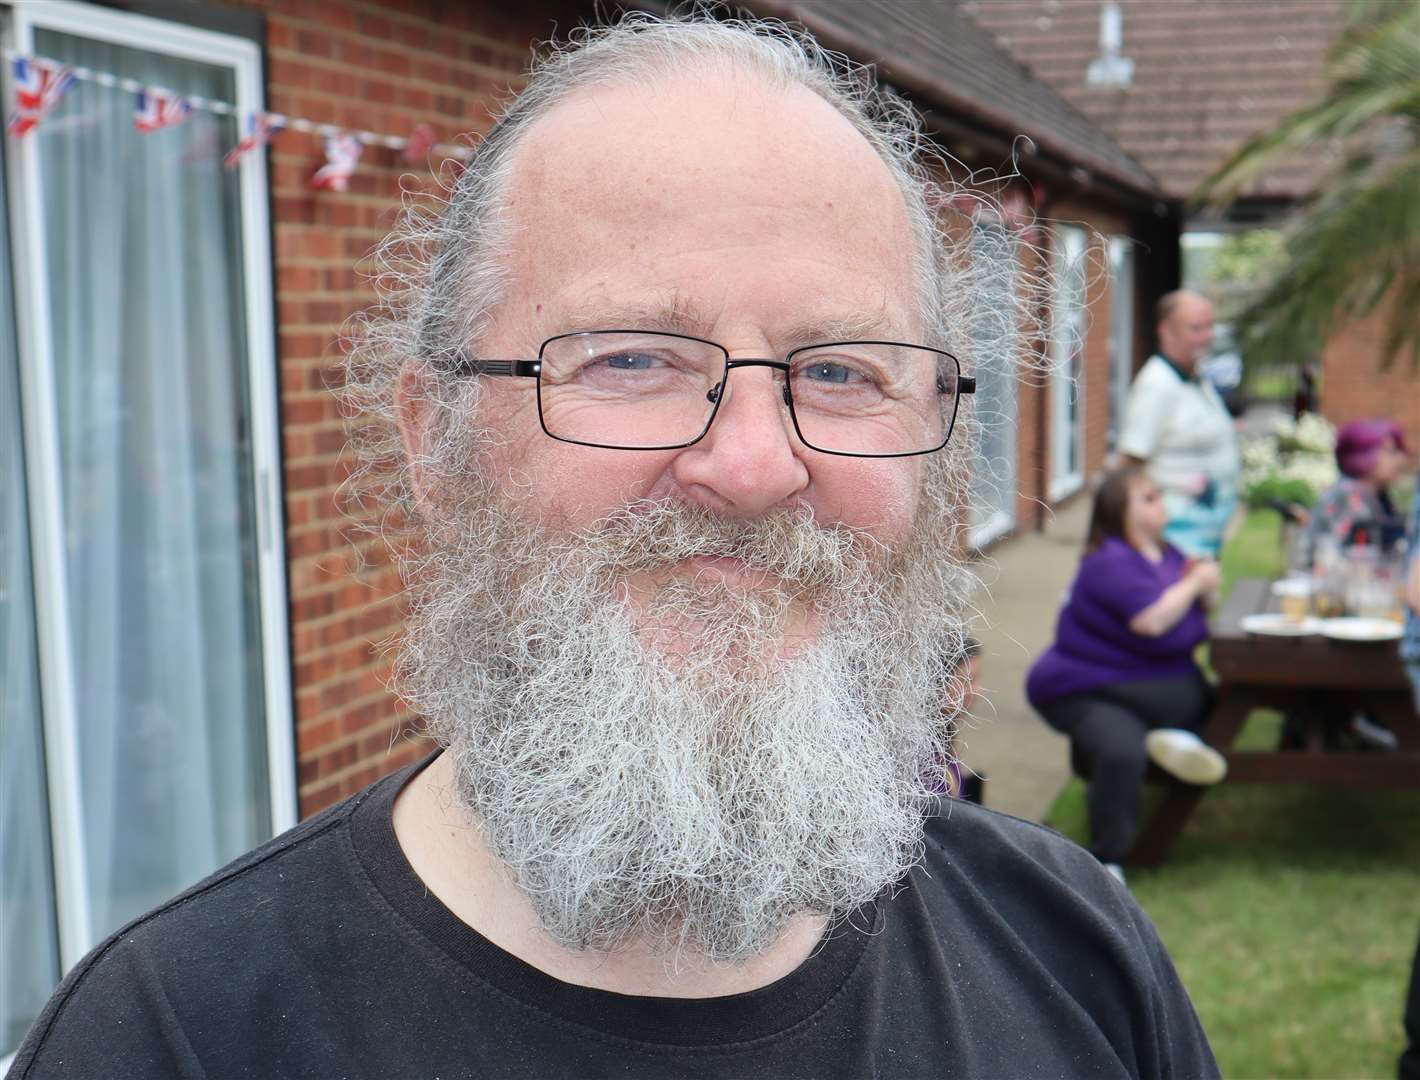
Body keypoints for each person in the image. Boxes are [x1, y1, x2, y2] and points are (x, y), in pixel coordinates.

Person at [10, 15, 1218, 1078]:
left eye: (843, 371)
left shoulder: (1077, 954)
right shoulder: (174, 1038)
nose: (750, 468)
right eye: (630, 358)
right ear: (436, 444)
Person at [1027, 464, 1228, 879]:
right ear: (1121, 511)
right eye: (1148, 498)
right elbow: (1150, 622)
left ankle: (1164, 731)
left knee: (1142, 733)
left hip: (1136, 683)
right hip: (1082, 685)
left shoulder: (1167, 553)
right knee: (1130, 745)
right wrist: (1192, 587)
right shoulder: (1110, 561)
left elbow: (1195, 616)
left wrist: (1205, 589)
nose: (1160, 504)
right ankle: (1108, 861)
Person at [1117, 289, 1240, 558]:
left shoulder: (1195, 377)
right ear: (1166, 331)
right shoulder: (1157, 385)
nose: (1206, 337)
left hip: (1202, 539)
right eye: (1196, 328)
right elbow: (1127, 467)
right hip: (1173, 540)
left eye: (1209, 327)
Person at [1305, 417, 1410, 557]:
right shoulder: (1347, 496)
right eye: (1390, 451)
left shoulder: (1377, 494)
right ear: (1362, 455)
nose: (1400, 459)